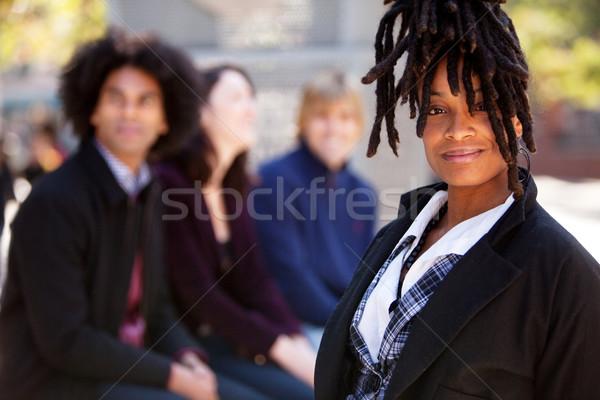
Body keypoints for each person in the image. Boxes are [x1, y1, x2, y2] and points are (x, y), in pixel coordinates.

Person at [315, 1, 600, 399]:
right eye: (437, 108)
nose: (457, 129)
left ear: (516, 117)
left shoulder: (565, 278)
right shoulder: (395, 240)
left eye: (481, 106)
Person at [0, 28, 220, 400]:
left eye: (145, 100)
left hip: (122, 368)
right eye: (116, 98)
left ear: (166, 119)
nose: (130, 111)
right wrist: (174, 377)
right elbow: (66, 341)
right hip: (54, 383)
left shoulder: (148, 191)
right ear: (93, 111)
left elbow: (156, 305)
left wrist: (188, 357)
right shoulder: (53, 202)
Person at [153, 64, 316, 400]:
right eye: (238, 97)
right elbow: (199, 297)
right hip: (180, 348)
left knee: (308, 388)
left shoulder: (232, 190)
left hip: (224, 343)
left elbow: (255, 282)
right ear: (202, 112)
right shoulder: (170, 184)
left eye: (252, 98)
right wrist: (280, 347)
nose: (252, 108)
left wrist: (295, 336)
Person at [253, 69, 376, 349]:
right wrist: (346, 329)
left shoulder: (364, 193)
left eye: (345, 117)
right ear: (303, 122)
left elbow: (366, 276)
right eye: (322, 116)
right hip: (295, 326)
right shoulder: (274, 180)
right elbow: (289, 276)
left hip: (345, 322)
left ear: (358, 125)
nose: (334, 128)